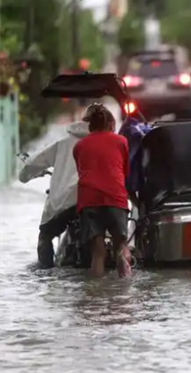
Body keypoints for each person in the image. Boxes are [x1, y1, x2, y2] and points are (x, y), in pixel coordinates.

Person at [18, 104, 105, 268]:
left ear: (83, 120)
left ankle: (45, 274)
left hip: (65, 202)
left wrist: (24, 176)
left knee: (45, 236)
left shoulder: (63, 143)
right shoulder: (108, 142)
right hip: (98, 201)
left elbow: (33, 164)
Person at [73, 104, 131, 278]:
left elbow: (81, 172)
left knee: (98, 254)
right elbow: (125, 172)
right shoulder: (121, 141)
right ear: (111, 124)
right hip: (115, 198)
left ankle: (95, 296)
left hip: (89, 200)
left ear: (90, 125)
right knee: (121, 247)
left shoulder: (79, 146)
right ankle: (124, 294)